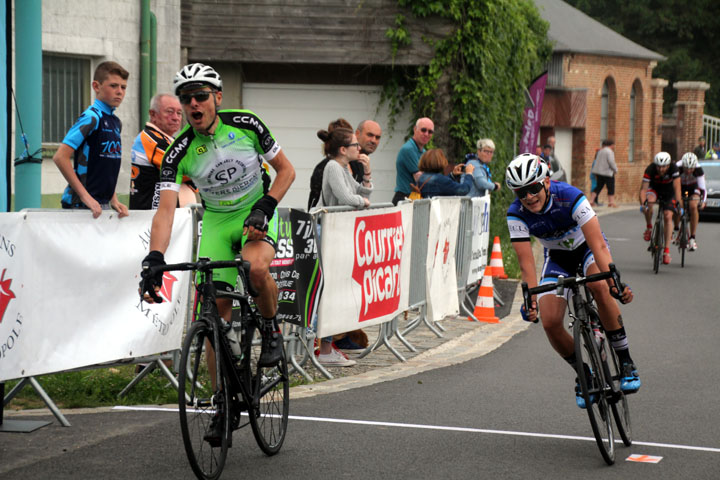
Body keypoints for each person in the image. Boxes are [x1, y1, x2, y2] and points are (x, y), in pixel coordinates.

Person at [140, 64, 295, 411]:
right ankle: (221, 399)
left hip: (254, 215)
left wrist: (266, 206)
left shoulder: (246, 124)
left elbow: (287, 170)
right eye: (185, 99)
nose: (193, 104)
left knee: (256, 270)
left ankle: (271, 329)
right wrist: (154, 258)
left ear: (217, 98)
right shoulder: (178, 151)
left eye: (200, 96)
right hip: (216, 223)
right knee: (213, 312)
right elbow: (165, 211)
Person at [505, 153, 640, 409]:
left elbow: (598, 243)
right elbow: (525, 264)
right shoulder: (516, 214)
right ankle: (584, 373)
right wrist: (531, 300)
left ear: (545, 182)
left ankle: (625, 361)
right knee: (550, 321)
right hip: (557, 259)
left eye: (533, 188)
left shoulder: (570, 196)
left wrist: (614, 281)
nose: (529, 197)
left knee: (598, 285)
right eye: (521, 193)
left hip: (586, 249)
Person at [314, 127, 373, 366]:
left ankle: (326, 346)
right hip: (327, 233)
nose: (359, 149)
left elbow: (361, 190)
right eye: (355, 145)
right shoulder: (332, 167)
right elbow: (349, 198)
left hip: (336, 233)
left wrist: (367, 172)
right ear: (342, 149)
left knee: (334, 291)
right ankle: (322, 346)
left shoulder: (342, 168)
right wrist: (363, 203)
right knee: (327, 291)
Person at [53, 61, 130, 219]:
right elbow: (60, 157)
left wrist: (113, 199)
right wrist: (85, 196)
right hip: (80, 205)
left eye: (123, 87)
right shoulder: (91, 117)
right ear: (96, 86)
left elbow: (105, 165)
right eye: (113, 86)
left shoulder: (116, 122)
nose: (119, 92)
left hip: (101, 205)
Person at [129, 93, 197, 209]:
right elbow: (185, 171)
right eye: (170, 112)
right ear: (153, 114)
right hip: (152, 216)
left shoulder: (169, 140)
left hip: (177, 217)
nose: (176, 118)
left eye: (179, 113)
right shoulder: (151, 139)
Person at [639, 151, 683, 265]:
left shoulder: (674, 168)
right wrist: (643, 203)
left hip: (669, 192)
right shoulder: (650, 169)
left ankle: (666, 251)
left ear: (668, 165)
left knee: (668, 216)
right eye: (659, 166)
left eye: (663, 167)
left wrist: (679, 203)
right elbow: (643, 190)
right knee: (649, 203)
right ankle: (649, 227)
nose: (661, 169)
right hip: (655, 190)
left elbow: (677, 188)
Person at [392, 117, 434, 205]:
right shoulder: (409, 149)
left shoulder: (423, 151)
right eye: (423, 130)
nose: (426, 134)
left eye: (430, 132)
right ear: (415, 129)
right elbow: (420, 178)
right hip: (405, 198)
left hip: (414, 198)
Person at [675, 152, 706, 251]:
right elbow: (673, 187)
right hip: (681, 187)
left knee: (693, 205)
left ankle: (692, 238)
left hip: (693, 188)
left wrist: (703, 202)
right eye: (686, 168)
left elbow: (703, 189)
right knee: (678, 205)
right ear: (682, 165)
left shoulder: (698, 169)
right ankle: (677, 228)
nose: (688, 171)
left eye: (691, 168)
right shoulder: (677, 167)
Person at [590, 139, 618, 207]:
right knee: (611, 187)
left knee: (598, 187)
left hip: (599, 172)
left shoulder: (600, 151)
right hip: (607, 172)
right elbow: (611, 162)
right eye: (613, 145)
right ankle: (611, 202)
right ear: (611, 145)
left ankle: (591, 200)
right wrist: (615, 169)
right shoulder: (609, 152)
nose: (614, 146)